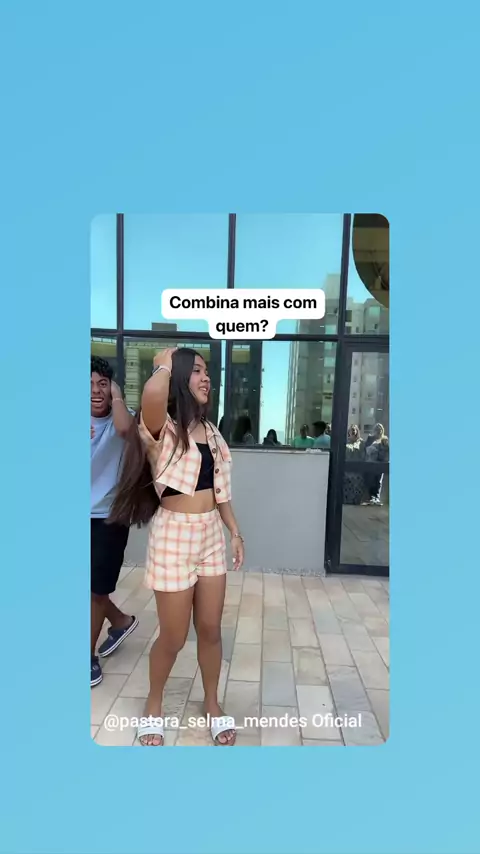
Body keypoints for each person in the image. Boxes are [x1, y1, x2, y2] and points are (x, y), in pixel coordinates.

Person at [109, 348, 244, 747]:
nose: (207, 378)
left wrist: (235, 532)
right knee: (174, 636)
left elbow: (220, 492)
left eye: (207, 372)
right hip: (174, 537)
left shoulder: (212, 432)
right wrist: (165, 362)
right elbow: (153, 394)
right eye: (197, 371)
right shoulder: (161, 428)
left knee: (211, 629)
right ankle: (154, 704)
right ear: (180, 378)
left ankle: (212, 703)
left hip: (210, 535)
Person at [90, 357, 137, 687]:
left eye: (102, 384)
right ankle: (120, 620)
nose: (96, 391)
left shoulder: (123, 417)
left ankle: (87, 658)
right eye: (89, 385)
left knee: (96, 589)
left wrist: (117, 395)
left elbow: (124, 430)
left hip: (110, 515)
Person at [365, 423, 389, 505]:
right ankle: (371, 497)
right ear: (374, 430)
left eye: (380, 429)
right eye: (377, 429)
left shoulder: (384, 439)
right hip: (371, 463)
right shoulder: (370, 438)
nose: (378, 431)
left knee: (378, 481)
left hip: (380, 463)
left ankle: (377, 497)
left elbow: (386, 450)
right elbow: (366, 449)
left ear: (382, 430)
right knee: (371, 480)